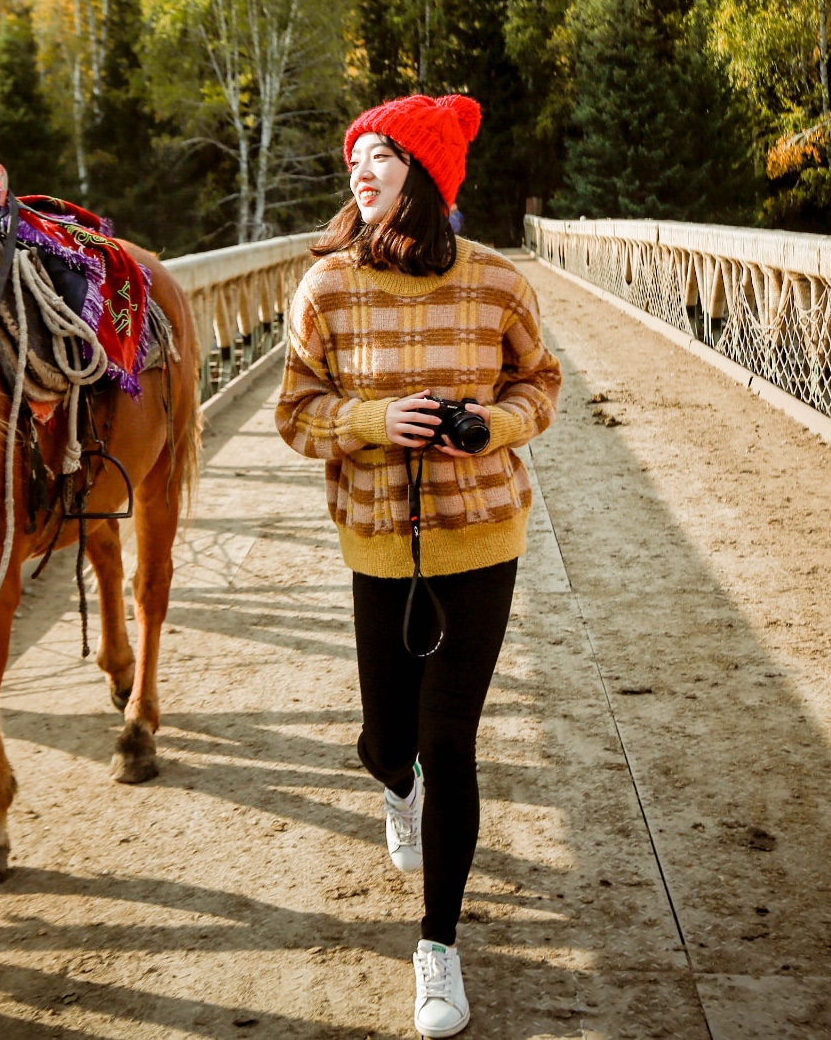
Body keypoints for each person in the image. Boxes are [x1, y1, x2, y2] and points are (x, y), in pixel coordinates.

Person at [277, 93, 561, 1038]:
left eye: (383, 153)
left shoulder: (495, 283)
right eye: (355, 153)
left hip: (482, 536)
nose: (361, 167)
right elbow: (294, 413)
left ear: (427, 173)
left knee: (451, 739)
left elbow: (541, 384)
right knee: (385, 738)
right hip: (376, 544)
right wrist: (367, 422)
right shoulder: (325, 288)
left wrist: (493, 426)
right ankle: (394, 790)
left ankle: (437, 946)